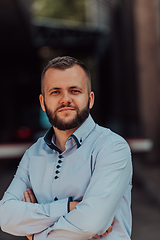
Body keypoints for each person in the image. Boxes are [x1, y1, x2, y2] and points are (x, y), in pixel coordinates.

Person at [0, 56, 132, 240]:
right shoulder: (33, 154)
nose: (65, 99)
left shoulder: (112, 148)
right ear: (43, 102)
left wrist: (36, 233)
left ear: (90, 99)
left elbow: (90, 224)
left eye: (74, 90)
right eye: (55, 92)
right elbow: (5, 216)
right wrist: (69, 208)